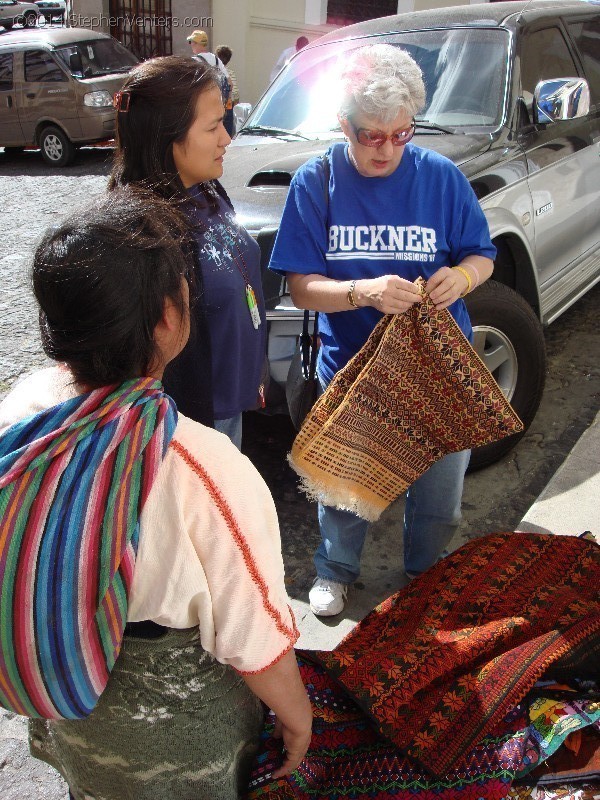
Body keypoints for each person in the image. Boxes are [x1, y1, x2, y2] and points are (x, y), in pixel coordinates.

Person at [0, 188, 312, 800]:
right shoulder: (202, 465)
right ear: (171, 319)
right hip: (169, 735)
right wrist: (298, 718)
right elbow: (255, 640)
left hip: (70, 712)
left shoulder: (22, 409)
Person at [269, 44, 496, 617]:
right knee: (345, 489)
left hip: (437, 367)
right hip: (353, 368)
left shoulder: (441, 177)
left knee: (440, 490)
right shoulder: (316, 181)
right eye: (371, 135)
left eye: (402, 133)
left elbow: (481, 254)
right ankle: (335, 571)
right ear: (343, 124)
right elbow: (300, 288)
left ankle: (423, 572)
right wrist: (362, 293)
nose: (387, 149)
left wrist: (461, 279)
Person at [109, 56, 266, 450]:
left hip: (231, 405)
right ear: (168, 135)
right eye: (213, 127)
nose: (227, 139)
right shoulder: (144, 233)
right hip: (192, 424)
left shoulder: (206, 189)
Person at [188, 29, 233, 109]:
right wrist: (227, 103)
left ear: (197, 43)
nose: (191, 44)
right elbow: (230, 83)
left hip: (205, 106)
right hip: (219, 105)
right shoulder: (216, 59)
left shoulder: (194, 61)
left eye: (191, 42)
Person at [216, 44, 239, 137]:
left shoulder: (214, 72)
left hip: (217, 106)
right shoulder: (231, 73)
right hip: (229, 106)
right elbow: (236, 94)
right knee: (228, 134)